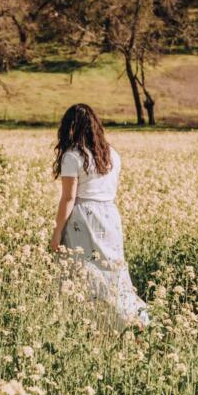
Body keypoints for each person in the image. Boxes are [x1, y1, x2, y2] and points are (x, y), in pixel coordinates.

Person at [50, 104, 150, 331]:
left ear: (70, 127)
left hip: (83, 218)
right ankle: (132, 320)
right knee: (113, 271)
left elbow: (68, 198)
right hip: (110, 216)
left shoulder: (72, 156)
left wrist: (57, 234)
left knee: (84, 272)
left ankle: (89, 326)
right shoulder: (112, 154)